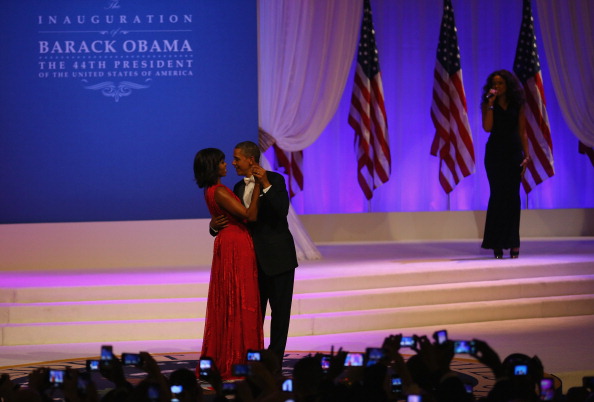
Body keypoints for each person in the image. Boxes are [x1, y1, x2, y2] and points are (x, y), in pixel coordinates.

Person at [210, 141, 298, 366]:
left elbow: (281, 211)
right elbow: (237, 220)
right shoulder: (238, 188)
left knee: (280, 315)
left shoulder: (275, 179)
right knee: (252, 315)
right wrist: (214, 226)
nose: (233, 162)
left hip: (279, 260)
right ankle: (253, 360)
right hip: (251, 262)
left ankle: (275, 361)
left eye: (237, 158)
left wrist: (266, 183)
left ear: (251, 160)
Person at [193, 147, 264, 379]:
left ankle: (233, 353)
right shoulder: (220, 190)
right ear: (214, 166)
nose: (227, 165)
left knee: (232, 299)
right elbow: (248, 215)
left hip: (230, 244)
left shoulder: (212, 190)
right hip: (235, 246)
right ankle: (237, 358)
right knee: (240, 299)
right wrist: (257, 189)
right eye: (223, 162)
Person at [480, 70, 530, 259]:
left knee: (512, 197)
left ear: (507, 85)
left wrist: (527, 155)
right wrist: (491, 105)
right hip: (494, 155)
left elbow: (522, 131)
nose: (497, 87)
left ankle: (513, 242)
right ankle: (497, 243)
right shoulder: (487, 103)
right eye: (494, 83)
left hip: (513, 153)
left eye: (500, 83)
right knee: (497, 197)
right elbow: (488, 128)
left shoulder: (517, 104)